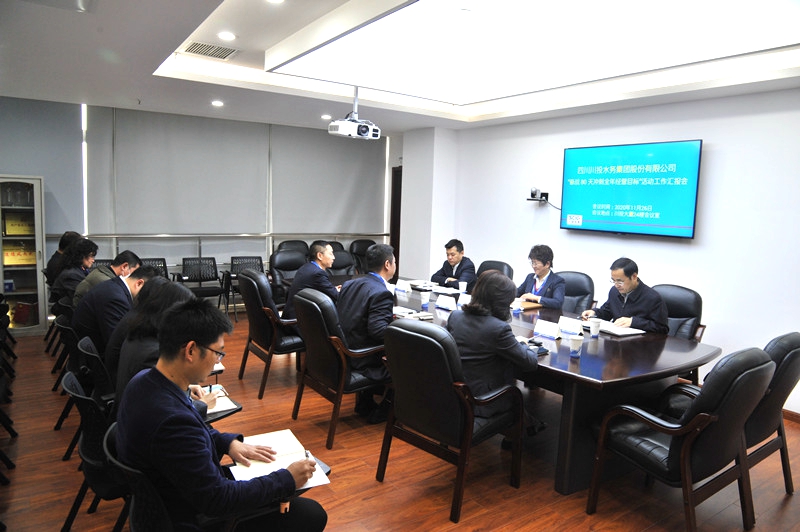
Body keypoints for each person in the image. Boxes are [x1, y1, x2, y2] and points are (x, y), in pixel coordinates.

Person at [116, 298, 327, 532]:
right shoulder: (172, 421)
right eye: (218, 353)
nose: (218, 361)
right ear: (191, 350)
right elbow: (218, 500)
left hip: (170, 496)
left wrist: (227, 443)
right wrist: (286, 479)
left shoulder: (143, 381)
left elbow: (192, 429)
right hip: (189, 516)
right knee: (311, 515)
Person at [114, 280, 217, 416]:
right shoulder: (154, 354)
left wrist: (186, 389)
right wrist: (203, 404)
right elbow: (167, 411)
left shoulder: (139, 335)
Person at [447, 270, 539, 418]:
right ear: (502, 302)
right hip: (482, 401)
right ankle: (525, 426)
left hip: (453, 394)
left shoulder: (455, 316)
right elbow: (530, 363)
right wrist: (524, 345)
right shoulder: (498, 328)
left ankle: (529, 422)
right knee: (515, 393)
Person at [336, 243, 396, 421]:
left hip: (344, 350)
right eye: (394, 262)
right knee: (410, 358)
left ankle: (366, 402)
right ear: (387, 264)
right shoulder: (381, 292)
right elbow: (378, 331)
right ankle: (386, 408)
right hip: (362, 357)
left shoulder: (349, 284)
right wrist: (400, 332)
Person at [71, 265, 158, 357]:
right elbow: (118, 341)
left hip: (91, 345)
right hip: (98, 355)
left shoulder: (114, 286)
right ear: (139, 283)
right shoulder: (116, 298)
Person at [581, 257, 669, 333]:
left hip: (640, 344)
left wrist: (634, 322)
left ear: (634, 277)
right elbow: (607, 312)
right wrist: (595, 313)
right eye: (613, 280)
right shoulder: (614, 291)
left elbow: (662, 328)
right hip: (614, 341)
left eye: (620, 281)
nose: (616, 285)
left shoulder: (652, 298)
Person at [282, 240, 340, 321]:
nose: (333, 257)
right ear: (320, 255)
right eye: (330, 254)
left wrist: (333, 289)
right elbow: (336, 296)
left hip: (294, 315)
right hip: (299, 322)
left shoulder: (307, 267)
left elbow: (322, 290)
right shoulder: (317, 273)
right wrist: (338, 291)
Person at [72, 249, 142, 307]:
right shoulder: (107, 283)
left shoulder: (101, 272)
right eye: (134, 272)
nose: (134, 276)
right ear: (124, 266)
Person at [50, 238, 98, 305]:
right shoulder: (71, 275)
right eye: (91, 256)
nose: (93, 260)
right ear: (82, 255)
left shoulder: (76, 270)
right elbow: (83, 298)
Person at [515, 244, 565, 309]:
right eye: (532, 262)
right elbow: (517, 293)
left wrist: (536, 298)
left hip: (545, 314)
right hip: (527, 314)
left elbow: (558, 302)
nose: (533, 266)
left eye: (536, 263)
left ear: (547, 264)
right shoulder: (530, 277)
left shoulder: (557, 281)